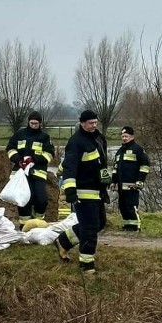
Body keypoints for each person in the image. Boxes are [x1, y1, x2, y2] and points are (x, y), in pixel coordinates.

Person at [52, 109, 110, 274]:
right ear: (82, 123)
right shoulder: (76, 142)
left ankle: (63, 241)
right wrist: (70, 191)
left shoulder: (99, 138)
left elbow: (101, 163)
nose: (93, 125)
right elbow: (69, 168)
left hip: (97, 190)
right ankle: (87, 265)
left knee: (99, 223)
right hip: (83, 192)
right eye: (90, 123)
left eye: (95, 122)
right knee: (90, 228)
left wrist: (107, 178)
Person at [5, 111, 55, 228]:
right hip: (21, 173)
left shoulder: (44, 137)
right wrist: (18, 160)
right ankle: (24, 226)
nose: (33, 125)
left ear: (40, 124)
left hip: (38, 173)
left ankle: (37, 223)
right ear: (28, 122)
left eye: (36, 124)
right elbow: (10, 149)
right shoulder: (19, 135)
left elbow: (50, 154)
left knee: (41, 199)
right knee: (24, 199)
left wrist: (34, 159)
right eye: (31, 123)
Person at [111, 125, 151, 232]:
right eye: (123, 136)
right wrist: (113, 182)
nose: (124, 138)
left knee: (131, 206)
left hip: (132, 186)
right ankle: (126, 226)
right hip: (121, 186)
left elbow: (145, 165)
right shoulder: (119, 151)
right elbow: (115, 168)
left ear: (132, 137)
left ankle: (135, 228)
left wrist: (140, 180)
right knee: (123, 207)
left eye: (126, 136)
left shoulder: (138, 150)